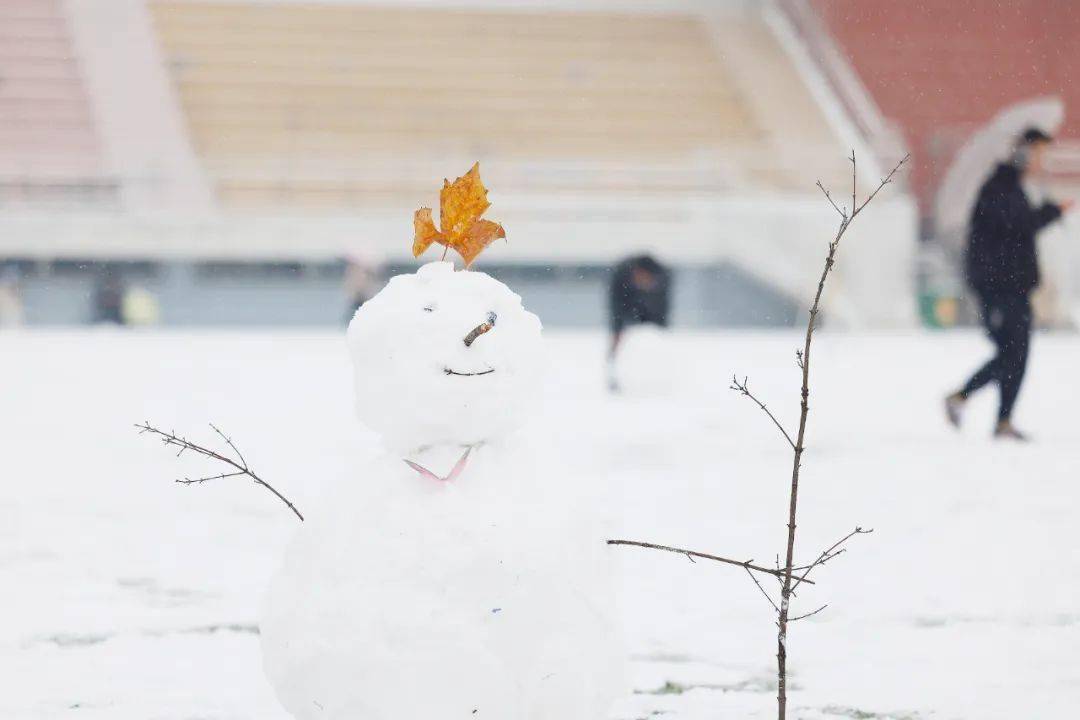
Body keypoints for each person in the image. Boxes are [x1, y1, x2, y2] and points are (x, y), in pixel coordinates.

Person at [945, 127, 1074, 440]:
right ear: (1025, 153)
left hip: (1013, 285)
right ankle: (966, 400)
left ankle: (994, 417)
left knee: (1015, 352)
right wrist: (1054, 211)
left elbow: (1019, 226)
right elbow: (1018, 225)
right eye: (1039, 154)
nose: (1041, 162)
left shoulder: (1012, 187)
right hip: (999, 286)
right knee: (1013, 352)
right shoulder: (999, 187)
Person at [607, 254, 671, 391]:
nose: (643, 282)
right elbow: (616, 310)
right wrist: (618, 332)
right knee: (618, 342)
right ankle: (615, 376)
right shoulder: (620, 278)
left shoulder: (662, 280)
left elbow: (663, 309)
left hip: (649, 314)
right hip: (625, 308)